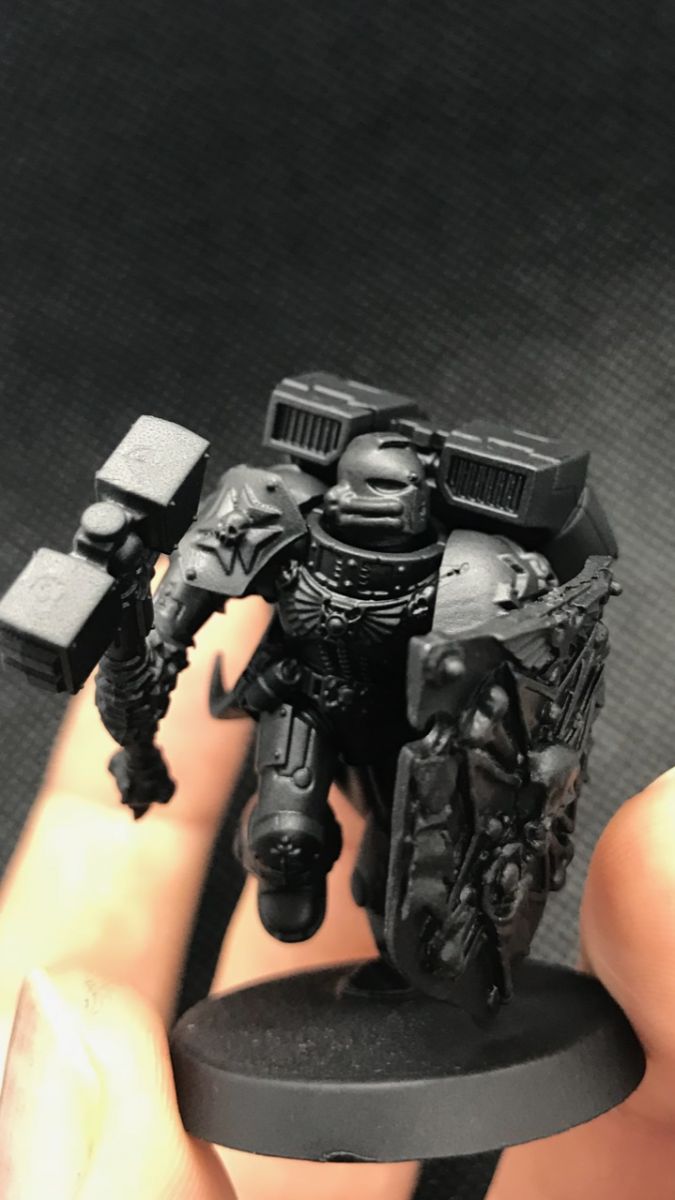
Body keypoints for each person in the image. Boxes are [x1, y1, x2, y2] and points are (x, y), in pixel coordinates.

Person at [0, 593, 672, 1200]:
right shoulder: (283, 523)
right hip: (308, 698)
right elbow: (190, 595)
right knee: (288, 834)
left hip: (426, 708)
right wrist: (156, 652)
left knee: (412, 855)